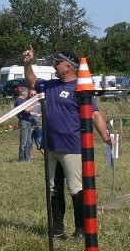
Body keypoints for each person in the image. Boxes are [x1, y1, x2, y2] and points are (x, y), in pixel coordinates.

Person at [24, 47, 111, 240]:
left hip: (72, 147)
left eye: (57, 62)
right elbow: (31, 81)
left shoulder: (80, 88)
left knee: (76, 189)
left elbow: (94, 114)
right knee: (54, 189)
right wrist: (28, 63)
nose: (54, 65)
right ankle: (57, 229)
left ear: (68, 67)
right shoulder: (50, 86)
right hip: (51, 147)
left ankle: (81, 229)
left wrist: (105, 135)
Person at [15, 87, 34, 161]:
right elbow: (26, 110)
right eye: (27, 93)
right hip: (24, 122)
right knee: (24, 141)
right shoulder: (19, 101)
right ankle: (22, 158)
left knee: (28, 142)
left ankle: (27, 157)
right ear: (24, 93)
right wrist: (34, 105)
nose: (28, 94)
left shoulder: (24, 101)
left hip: (28, 122)